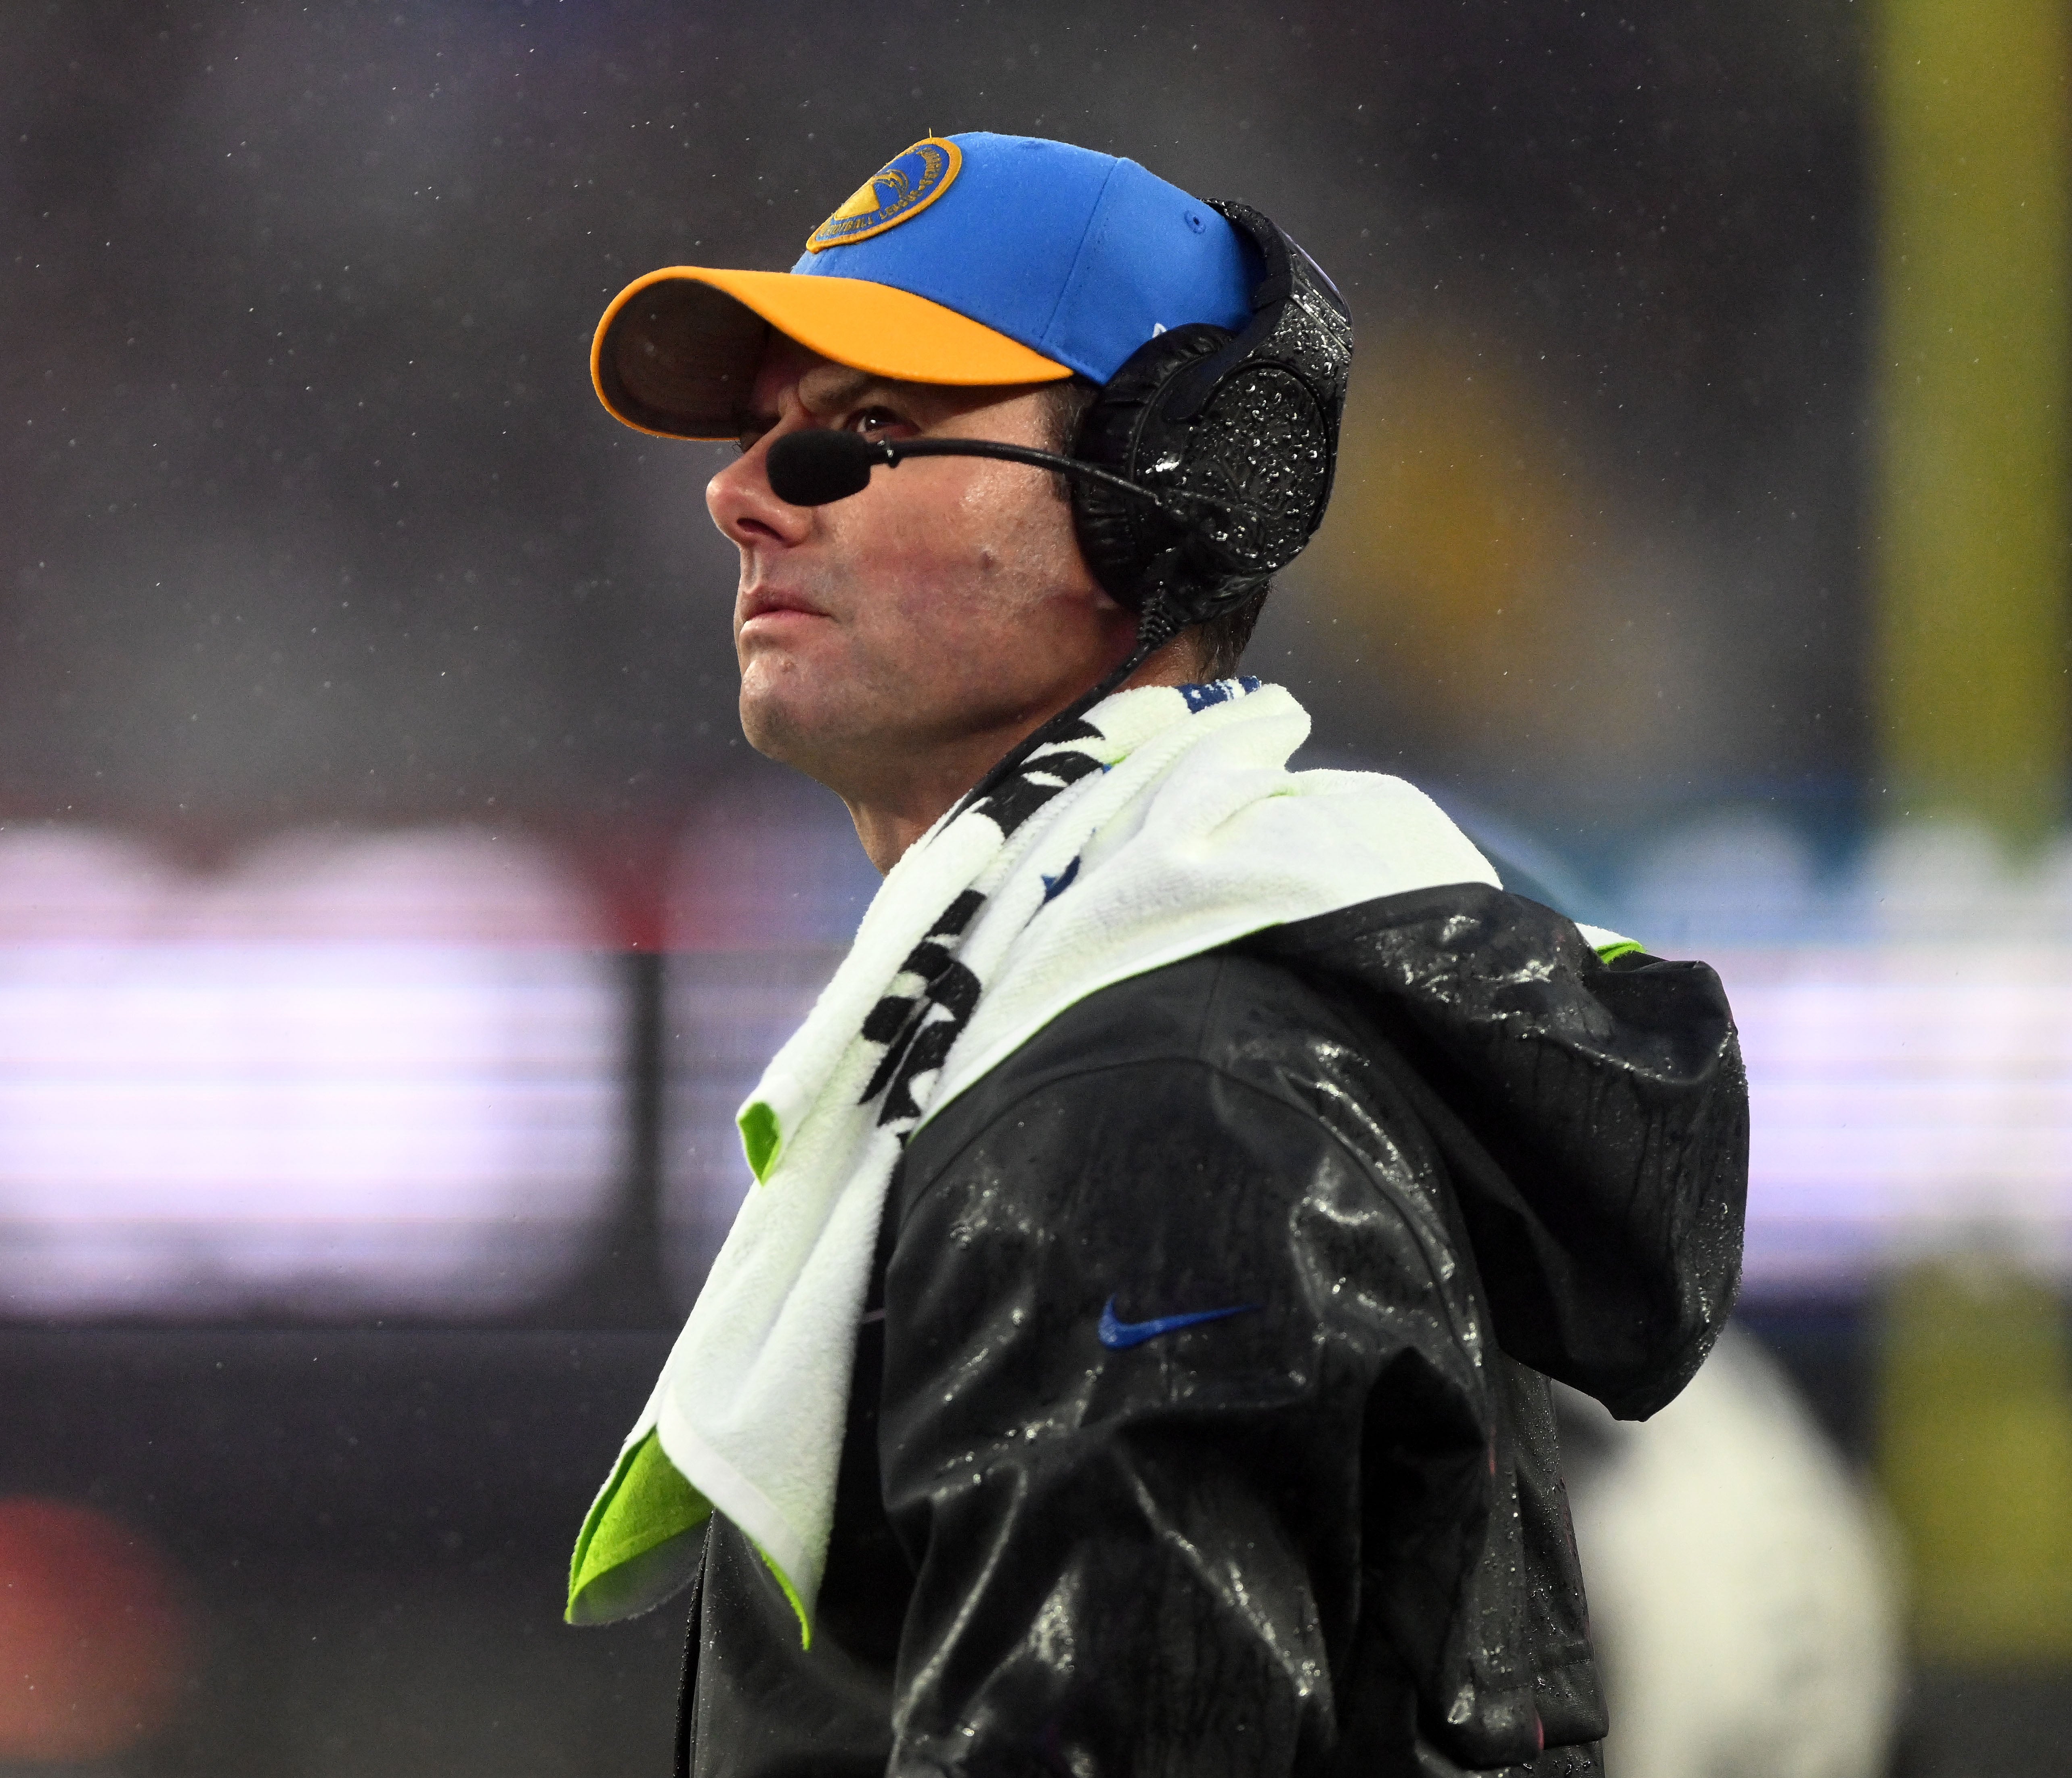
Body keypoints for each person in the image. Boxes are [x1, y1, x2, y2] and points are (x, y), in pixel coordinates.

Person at [564, 132, 1748, 1778]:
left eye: (865, 436)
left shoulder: (1148, 1110)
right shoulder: (1109, 1028)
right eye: (763, 435)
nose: (741, 492)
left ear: (1178, 479)